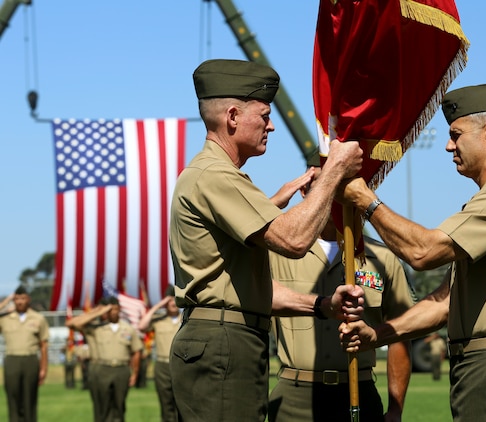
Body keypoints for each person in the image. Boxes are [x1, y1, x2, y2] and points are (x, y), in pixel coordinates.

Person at [338, 83, 486, 421]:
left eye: (456, 134)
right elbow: (444, 303)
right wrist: (376, 336)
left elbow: (422, 252)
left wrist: (366, 201)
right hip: (485, 366)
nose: (448, 145)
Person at [168, 58, 364, 421]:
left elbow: (250, 290)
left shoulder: (215, 174)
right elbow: (293, 239)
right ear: (232, 117)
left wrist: (322, 305)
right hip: (224, 342)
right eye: (263, 115)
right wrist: (334, 171)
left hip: (225, 338)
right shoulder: (216, 175)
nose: (271, 126)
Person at [267, 162, 415, 422]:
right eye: (327, 184)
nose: (336, 195)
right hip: (295, 397)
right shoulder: (276, 253)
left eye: (344, 186)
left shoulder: (382, 258)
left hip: (359, 391)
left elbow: (401, 333)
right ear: (305, 190)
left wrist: (396, 409)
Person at [66, 297, 143, 421]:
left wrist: (135, 373)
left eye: (115, 309)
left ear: (120, 310)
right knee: (102, 406)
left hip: (121, 369)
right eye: (110, 310)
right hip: (101, 369)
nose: (113, 312)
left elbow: (136, 351)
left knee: (119, 406)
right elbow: (72, 324)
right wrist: (98, 311)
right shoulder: (96, 327)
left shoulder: (128, 328)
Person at [0, 286, 49, 422]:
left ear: (29, 299)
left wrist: (44, 368)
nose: (20, 302)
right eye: (16, 299)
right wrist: (5, 302)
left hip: (30, 360)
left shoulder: (38, 318)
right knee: (13, 397)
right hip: (12, 360)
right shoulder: (5, 318)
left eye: (22, 298)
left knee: (30, 398)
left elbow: (44, 346)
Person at [138, 285, 181, 422]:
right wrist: (158, 306)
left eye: (175, 300)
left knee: (182, 404)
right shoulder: (158, 320)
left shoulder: (186, 319)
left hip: (181, 365)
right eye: (169, 300)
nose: (173, 303)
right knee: (165, 403)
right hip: (163, 366)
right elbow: (142, 326)